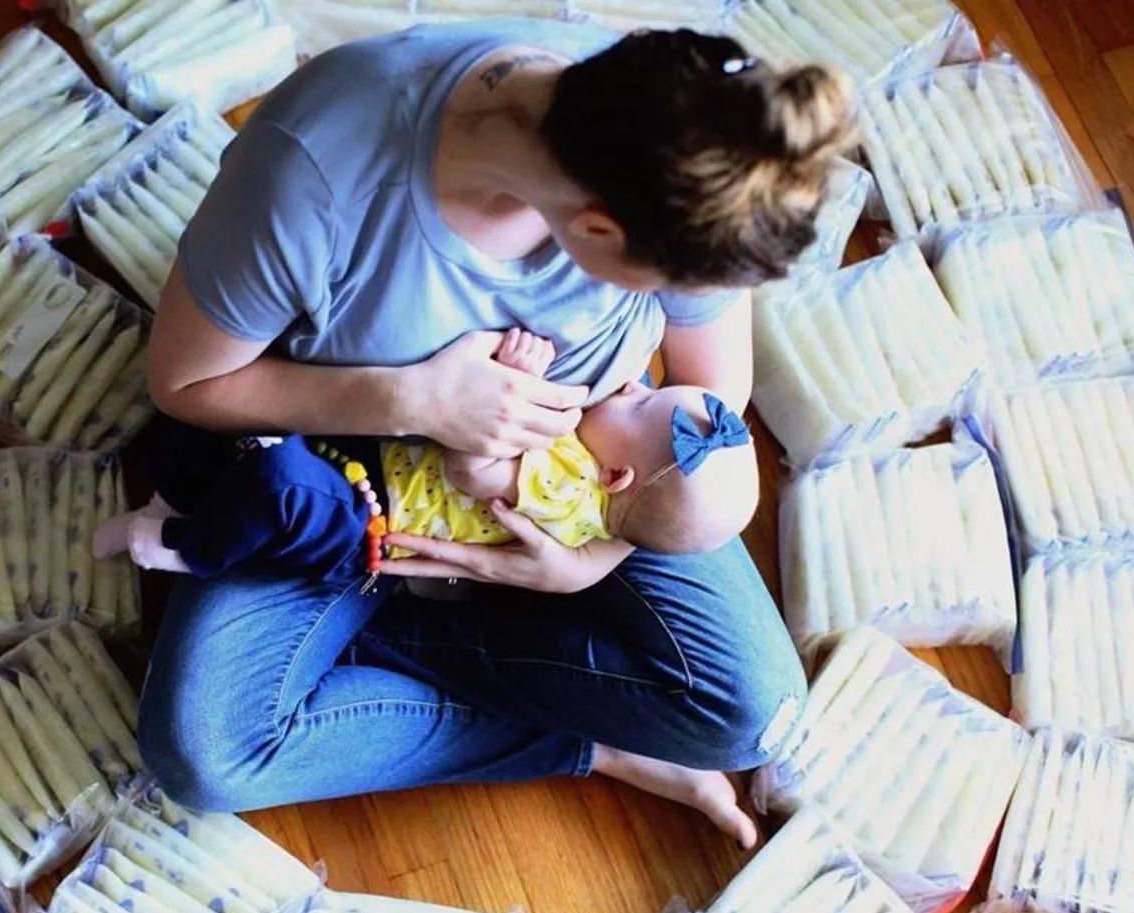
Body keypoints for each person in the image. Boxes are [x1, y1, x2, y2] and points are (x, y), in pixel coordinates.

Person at [139, 21, 856, 849]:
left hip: (605, 464)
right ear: (589, 234)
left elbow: (712, 391)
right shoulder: (313, 173)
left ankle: (387, 630)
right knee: (205, 754)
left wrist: (596, 550)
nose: (682, 307)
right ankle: (581, 734)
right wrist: (408, 399)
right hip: (345, 466)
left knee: (753, 716)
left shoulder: (676, 153)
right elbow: (184, 383)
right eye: (667, 290)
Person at [95, 328, 756, 575]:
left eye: (642, 399)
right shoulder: (597, 451)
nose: (634, 383)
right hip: (374, 453)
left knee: (281, 487)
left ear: (615, 474)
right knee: (225, 427)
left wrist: (519, 376)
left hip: (368, 515)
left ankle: (186, 545)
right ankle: (177, 488)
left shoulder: (566, 487)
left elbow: (472, 467)